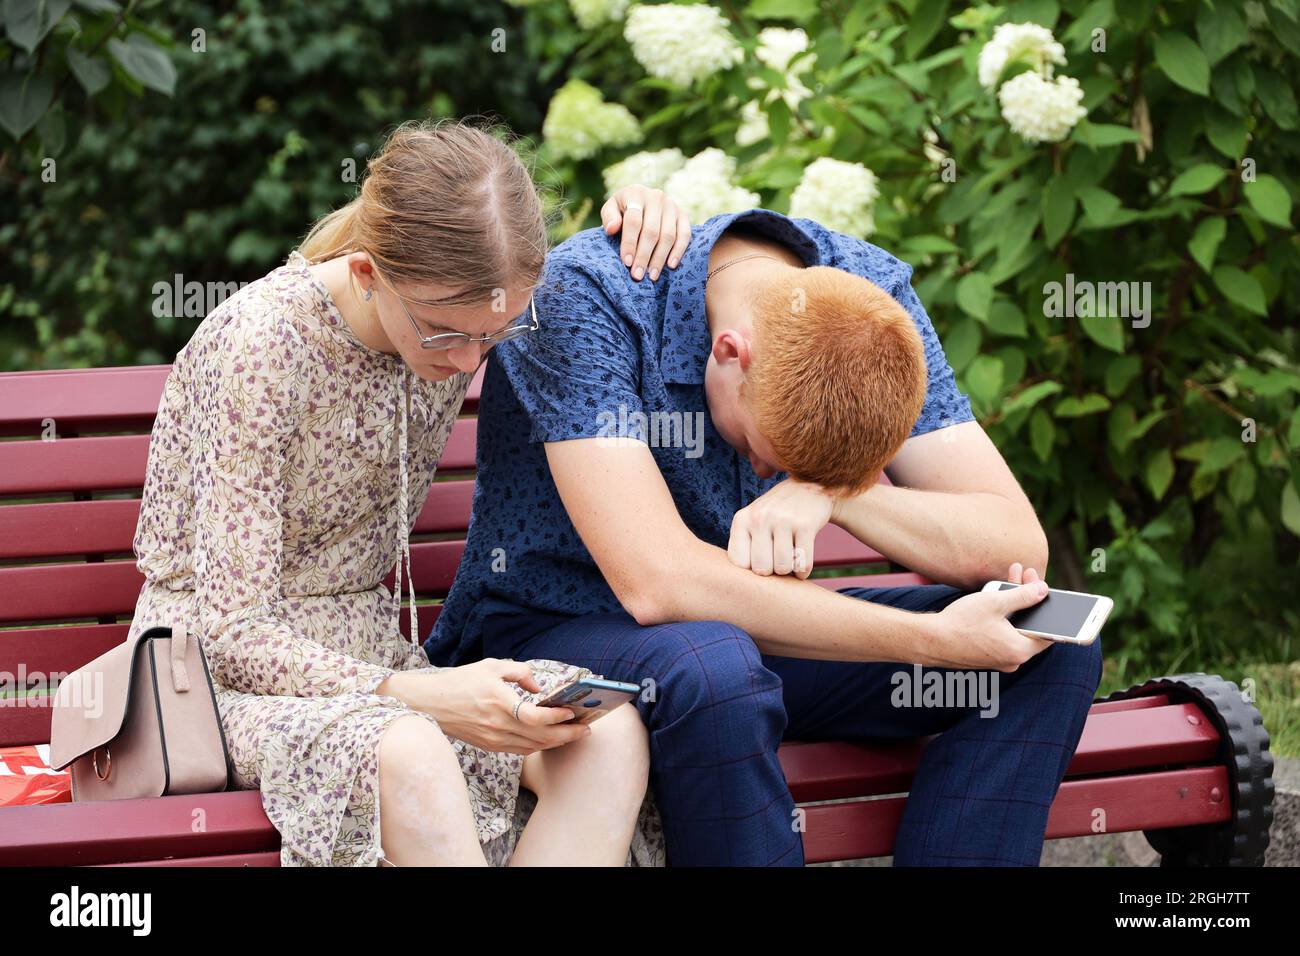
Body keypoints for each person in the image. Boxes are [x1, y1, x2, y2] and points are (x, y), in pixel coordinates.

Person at [426, 208, 1104, 866]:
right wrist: (937, 643)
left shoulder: (866, 304)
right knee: (717, 665)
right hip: (555, 633)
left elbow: (1016, 545)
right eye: (765, 450)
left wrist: (834, 491)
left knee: (1046, 641)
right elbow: (658, 583)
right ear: (730, 353)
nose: (764, 474)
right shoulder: (591, 296)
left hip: (745, 645)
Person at [127, 118, 692, 866]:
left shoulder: (459, 322)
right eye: (443, 334)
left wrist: (647, 209)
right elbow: (233, 636)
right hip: (207, 684)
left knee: (602, 734)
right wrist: (426, 694)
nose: (467, 361)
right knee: (412, 751)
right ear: (366, 273)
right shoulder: (260, 347)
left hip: (375, 662)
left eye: (493, 335)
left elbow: (597, 282)